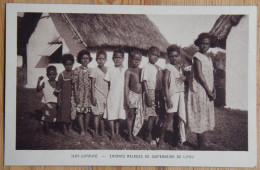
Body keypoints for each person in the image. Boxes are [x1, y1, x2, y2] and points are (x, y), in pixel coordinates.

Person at [187, 32, 216, 150]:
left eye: (207, 44)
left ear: (210, 45)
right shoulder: (197, 56)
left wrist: (214, 89)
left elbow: (211, 75)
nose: (204, 46)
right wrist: (208, 90)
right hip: (200, 90)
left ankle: (202, 144)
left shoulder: (209, 58)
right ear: (198, 44)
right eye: (202, 43)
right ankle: (200, 145)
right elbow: (199, 75)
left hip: (208, 90)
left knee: (204, 116)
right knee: (199, 117)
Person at [158, 45, 187, 147]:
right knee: (168, 117)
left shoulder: (180, 67)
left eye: (175, 56)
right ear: (168, 57)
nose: (173, 58)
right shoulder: (168, 67)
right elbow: (165, 84)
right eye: (171, 56)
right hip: (172, 95)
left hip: (180, 95)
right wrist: (168, 99)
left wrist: (184, 77)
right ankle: (160, 138)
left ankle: (176, 139)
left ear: (179, 56)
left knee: (177, 118)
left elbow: (184, 78)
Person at [141, 46, 164, 145]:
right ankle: (148, 135)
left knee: (155, 116)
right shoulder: (146, 67)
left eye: (157, 56)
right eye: (153, 55)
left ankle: (154, 133)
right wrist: (147, 96)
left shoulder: (157, 68)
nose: (155, 57)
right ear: (148, 55)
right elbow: (144, 82)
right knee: (151, 116)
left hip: (157, 92)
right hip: (150, 92)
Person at [104, 49, 127, 141]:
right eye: (116, 58)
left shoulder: (126, 70)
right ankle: (112, 133)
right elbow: (108, 84)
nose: (118, 59)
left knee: (119, 114)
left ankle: (117, 133)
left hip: (122, 96)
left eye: (120, 58)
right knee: (112, 114)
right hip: (113, 95)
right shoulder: (110, 70)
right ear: (113, 59)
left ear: (123, 59)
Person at [71, 50, 92, 136]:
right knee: (80, 113)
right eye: (83, 58)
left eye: (87, 58)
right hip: (79, 94)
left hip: (88, 95)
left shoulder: (91, 70)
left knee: (87, 114)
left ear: (89, 59)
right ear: (80, 59)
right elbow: (75, 83)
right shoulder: (76, 70)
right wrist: (76, 94)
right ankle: (82, 129)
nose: (85, 60)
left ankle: (86, 129)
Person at [124, 49, 143, 143]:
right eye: (134, 59)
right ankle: (128, 135)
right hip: (132, 94)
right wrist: (126, 98)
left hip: (140, 96)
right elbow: (126, 85)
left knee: (137, 115)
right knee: (130, 115)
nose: (136, 61)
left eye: (138, 59)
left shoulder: (142, 70)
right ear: (130, 59)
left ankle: (133, 132)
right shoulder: (128, 71)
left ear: (141, 60)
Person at [90, 51, 108, 140]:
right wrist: (93, 96)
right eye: (99, 59)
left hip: (106, 95)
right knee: (97, 114)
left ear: (106, 60)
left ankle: (102, 131)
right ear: (96, 59)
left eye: (103, 59)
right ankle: (96, 132)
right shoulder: (94, 70)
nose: (101, 61)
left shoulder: (108, 70)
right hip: (97, 95)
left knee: (103, 115)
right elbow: (92, 84)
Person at [54, 54, 74, 135]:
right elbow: (58, 87)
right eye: (66, 65)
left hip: (72, 96)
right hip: (64, 97)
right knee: (64, 112)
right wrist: (59, 99)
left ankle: (70, 127)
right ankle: (64, 128)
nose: (68, 66)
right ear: (63, 65)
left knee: (72, 112)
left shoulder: (74, 73)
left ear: (72, 64)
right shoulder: (61, 75)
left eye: (70, 65)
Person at [36, 65, 58, 135]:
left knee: (53, 117)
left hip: (55, 103)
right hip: (48, 103)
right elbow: (38, 89)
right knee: (48, 118)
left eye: (54, 74)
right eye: (50, 75)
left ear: (56, 74)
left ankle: (46, 125)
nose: (52, 76)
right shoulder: (45, 83)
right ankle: (47, 130)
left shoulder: (57, 83)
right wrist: (39, 81)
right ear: (47, 75)